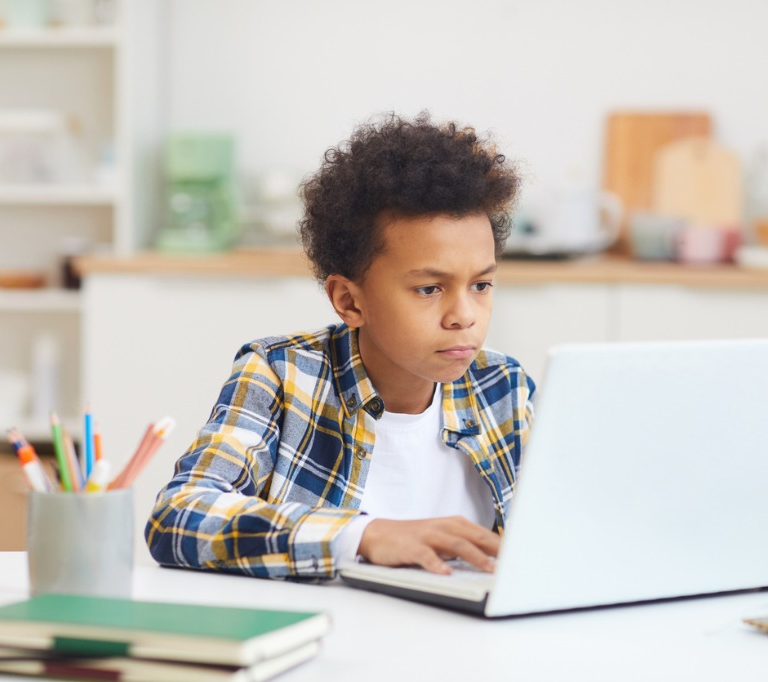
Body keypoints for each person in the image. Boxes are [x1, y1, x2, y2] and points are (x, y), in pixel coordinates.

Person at [145, 112, 535, 581]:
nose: (464, 315)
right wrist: (363, 537)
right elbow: (177, 516)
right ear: (349, 300)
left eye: (481, 285)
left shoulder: (504, 388)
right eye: (429, 289)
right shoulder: (281, 375)